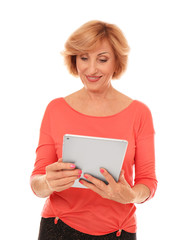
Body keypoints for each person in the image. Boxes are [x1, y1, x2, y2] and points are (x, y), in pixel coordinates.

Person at [30, 20, 157, 240]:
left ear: (117, 62)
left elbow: (148, 181)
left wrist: (131, 195)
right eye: (84, 58)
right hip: (57, 227)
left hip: (118, 232)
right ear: (74, 60)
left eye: (102, 59)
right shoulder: (56, 109)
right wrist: (48, 183)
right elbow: (37, 182)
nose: (91, 69)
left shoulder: (139, 113)